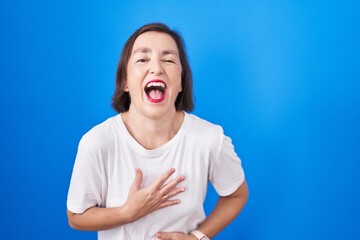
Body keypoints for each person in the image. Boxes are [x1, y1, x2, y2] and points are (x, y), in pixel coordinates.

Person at [67, 22, 248, 240]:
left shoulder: (209, 139)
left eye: (168, 60)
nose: (157, 68)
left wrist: (198, 237)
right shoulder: (97, 142)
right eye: (143, 59)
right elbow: (76, 216)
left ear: (181, 82)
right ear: (125, 81)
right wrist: (128, 212)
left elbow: (236, 195)